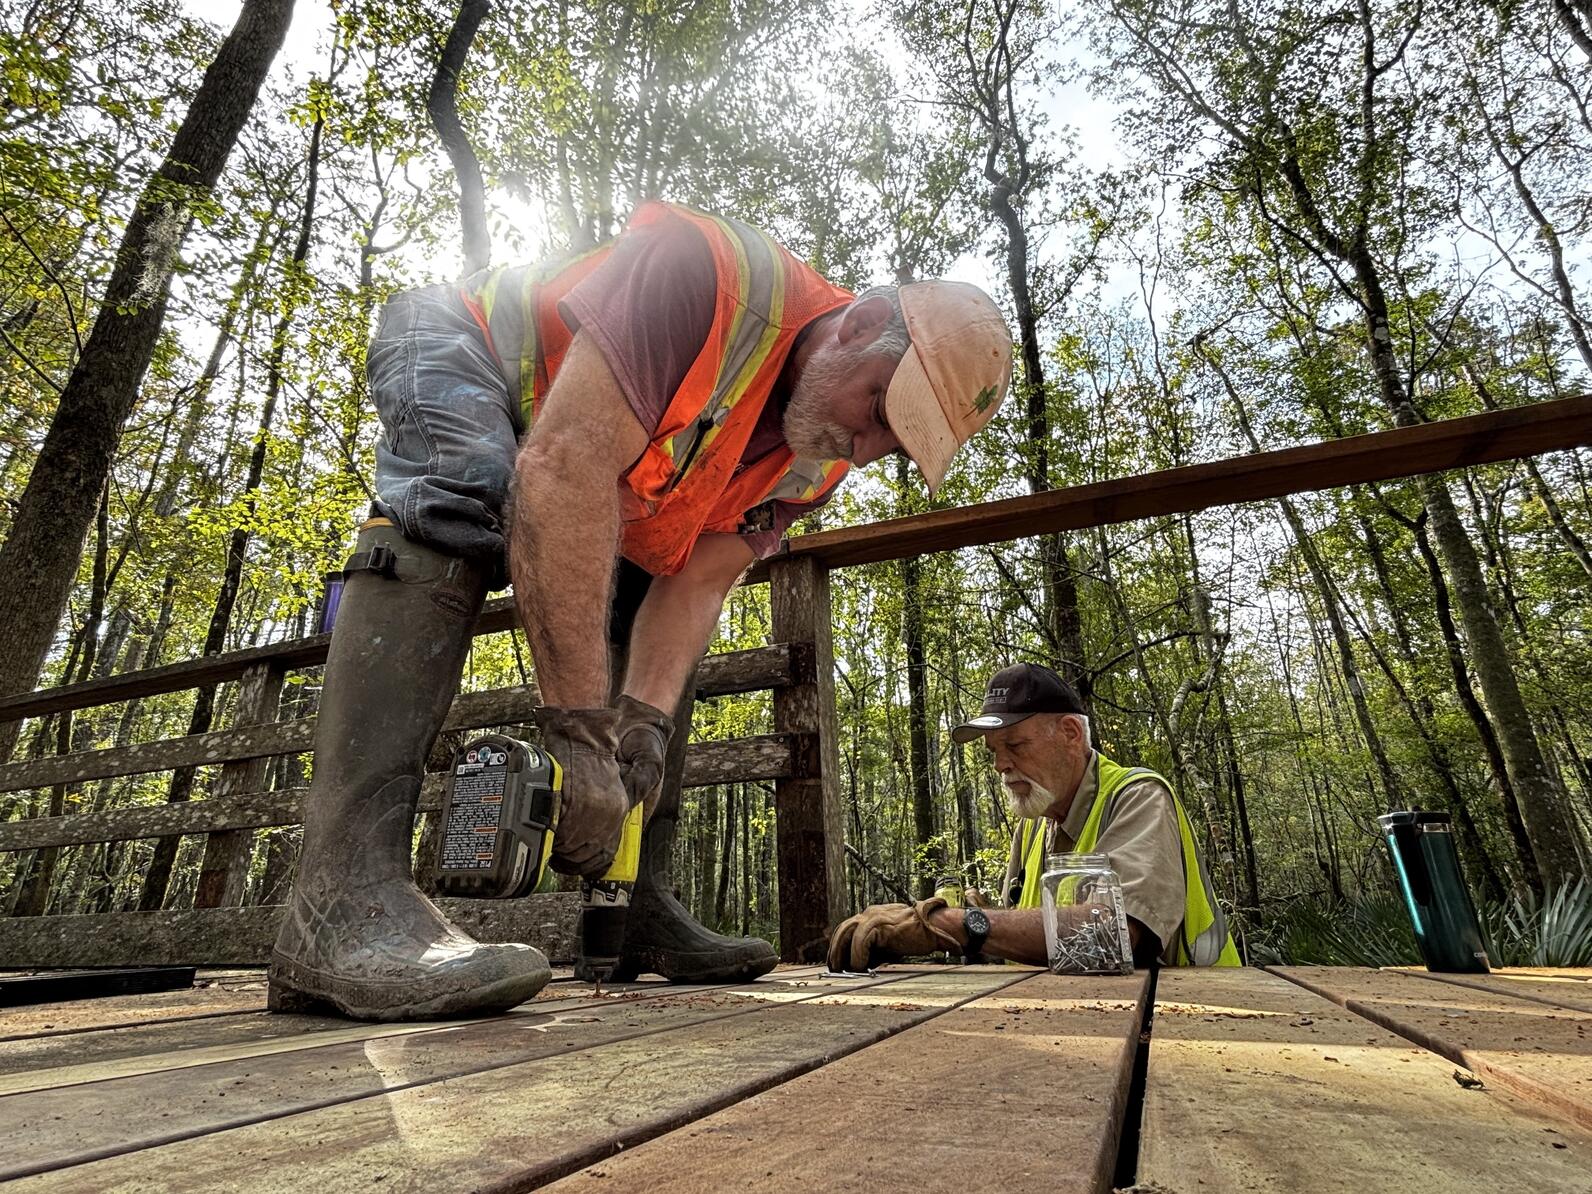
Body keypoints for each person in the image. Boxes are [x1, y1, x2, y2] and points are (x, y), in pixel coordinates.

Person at [268, 200, 1013, 1020]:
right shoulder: (710, 278)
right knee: (465, 495)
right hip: (467, 343)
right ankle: (339, 896)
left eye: (894, 446)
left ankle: (635, 908)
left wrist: (641, 732)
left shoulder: (810, 465)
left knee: (640, 622)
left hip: (587, 454)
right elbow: (561, 463)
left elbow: (694, 583)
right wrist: (581, 733)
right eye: (878, 411)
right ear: (860, 322)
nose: (864, 450)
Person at [828, 662, 1239, 971]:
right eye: (993, 750)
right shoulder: (1033, 823)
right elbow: (1027, 941)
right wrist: (953, 939)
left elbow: (1117, 935)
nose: (1001, 765)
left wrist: (950, 924)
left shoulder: (1138, 797)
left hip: (1195, 1028)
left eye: (1016, 745)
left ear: (1070, 735)